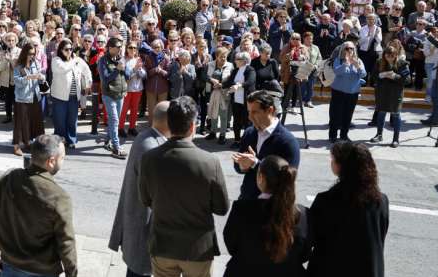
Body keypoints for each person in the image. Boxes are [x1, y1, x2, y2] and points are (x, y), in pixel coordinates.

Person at [139, 98, 229, 277]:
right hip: (198, 250)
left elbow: (145, 199)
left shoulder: (149, 158)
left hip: (163, 246)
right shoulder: (210, 161)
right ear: (192, 127)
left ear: (169, 125)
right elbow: (221, 208)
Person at [0, 134, 78, 277]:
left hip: (7, 266)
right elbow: (66, 244)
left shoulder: (8, 178)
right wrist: (72, 274)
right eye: (62, 158)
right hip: (42, 271)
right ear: (51, 161)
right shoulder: (59, 198)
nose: (63, 162)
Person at [308, 142, 389, 277]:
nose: (331, 162)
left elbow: (311, 238)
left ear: (341, 166)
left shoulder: (326, 201)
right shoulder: (381, 201)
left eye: (333, 159)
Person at [108, 101, 170, 277]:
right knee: (139, 270)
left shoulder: (147, 137)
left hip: (140, 226)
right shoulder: (151, 147)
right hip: (143, 226)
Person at [223, 155, 310, 277]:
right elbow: (305, 254)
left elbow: (231, 245)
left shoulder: (242, 209)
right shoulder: (303, 214)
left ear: (261, 178)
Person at [232, 90, 301, 200]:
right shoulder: (249, 133)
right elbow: (238, 166)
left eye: (254, 112)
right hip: (247, 200)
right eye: (248, 112)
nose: (249, 117)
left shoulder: (288, 142)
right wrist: (242, 166)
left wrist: (255, 164)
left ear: (270, 110)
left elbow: (287, 179)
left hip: (273, 207)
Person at [51, 39, 92, 149]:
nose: (69, 51)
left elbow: (87, 70)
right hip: (59, 97)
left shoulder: (76, 60)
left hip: (74, 97)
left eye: (71, 49)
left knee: (72, 120)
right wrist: (74, 61)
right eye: (66, 49)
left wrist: (88, 83)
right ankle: (60, 141)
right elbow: (63, 69)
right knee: (60, 120)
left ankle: (71, 140)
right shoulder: (56, 60)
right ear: (61, 50)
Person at [370, 46, 410, 148]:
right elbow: (373, 75)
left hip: (395, 93)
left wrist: (395, 76)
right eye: (387, 56)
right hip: (382, 93)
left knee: (396, 115)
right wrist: (380, 75)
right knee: (381, 113)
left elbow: (407, 80)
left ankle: (396, 139)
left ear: (396, 55)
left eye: (392, 56)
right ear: (384, 55)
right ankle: (379, 135)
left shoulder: (402, 63)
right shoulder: (379, 62)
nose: (390, 58)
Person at [12, 41, 46, 156]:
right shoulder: (19, 66)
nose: (32, 56)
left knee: (34, 121)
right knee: (20, 123)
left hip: (35, 96)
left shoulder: (35, 63)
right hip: (22, 98)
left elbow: (41, 75)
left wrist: (41, 77)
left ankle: (28, 142)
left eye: (34, 54)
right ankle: (16, 146)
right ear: (25, 53)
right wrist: (28, 77)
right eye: (30, 53)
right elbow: (17, 82)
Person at [329, 41, 366, 143]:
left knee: (348, 115)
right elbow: (336, 71)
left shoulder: (358, 61)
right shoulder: (339, 60)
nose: (349, 50)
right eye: (347, 48)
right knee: (335, 114)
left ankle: (344, 135)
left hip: (353, 92)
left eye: (351, 48)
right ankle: (333, 135)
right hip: (338, 91)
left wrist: (357, 66)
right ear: (343, 50)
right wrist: (346, 63)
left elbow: (363, 74)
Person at [98, 37, 129, 159]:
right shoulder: (103, 61)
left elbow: (127, 75)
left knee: (113, 120)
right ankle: (116, 148)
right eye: (118, 47)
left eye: (121, 46)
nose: (120, 48)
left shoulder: (121, 58)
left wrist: (125, 68)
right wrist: (117, 69)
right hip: (109, 94)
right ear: (110, 48)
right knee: (115, 120)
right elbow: (105, 79)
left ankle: (107, 140)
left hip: (120, 94)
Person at [223, 51, 256, 147]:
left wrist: (239, 85)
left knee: (247, 122)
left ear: (243, 61)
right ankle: (237, 140)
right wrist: (221, 84)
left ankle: (247, 143)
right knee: (236, 121)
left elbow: (250, 81)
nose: (235, 61)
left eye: (237, 59)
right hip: (236, 100)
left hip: (246, 100)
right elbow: (228, 82)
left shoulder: (250, 70)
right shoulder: (235, 70)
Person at [206, 47, 234, 145]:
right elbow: (205, 76)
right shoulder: (210, 64)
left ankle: (222, 135)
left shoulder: (230, 66)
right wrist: (211, 80)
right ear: (216, 56)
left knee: (223, 114)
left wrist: (222, 84)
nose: (223, 59)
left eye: (225, 57)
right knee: (213, 113)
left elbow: (231, 80)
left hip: (224, 93)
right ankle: (213, 132)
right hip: (212, 92)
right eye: (221, 57)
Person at [121, 42, 147, 137]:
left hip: (137, 89)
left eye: (134, 48)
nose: (132, 49)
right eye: (130, 47)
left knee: (135, 110)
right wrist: (135, 69)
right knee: (124, 110)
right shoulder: (123, 60)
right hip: (127, 89)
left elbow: (144, 75)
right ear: (127, 49)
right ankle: (121, 128)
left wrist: (140, 70)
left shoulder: (139, 59)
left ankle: (132, 128)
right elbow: (126, 76)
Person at [0, 32, 21, 124]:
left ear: (16, 41)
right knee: (7, 99)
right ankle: (8, 116)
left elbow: (18, 67)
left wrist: (10, 60)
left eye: (12, 40)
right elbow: (0, 67)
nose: (11, 42)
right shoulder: (3, 52)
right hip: (6, 80)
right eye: (9, 40)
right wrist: (5, 60)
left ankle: (17, 116)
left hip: (16, 80)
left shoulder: (19, 51)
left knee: (17, 99)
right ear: (6, 42)